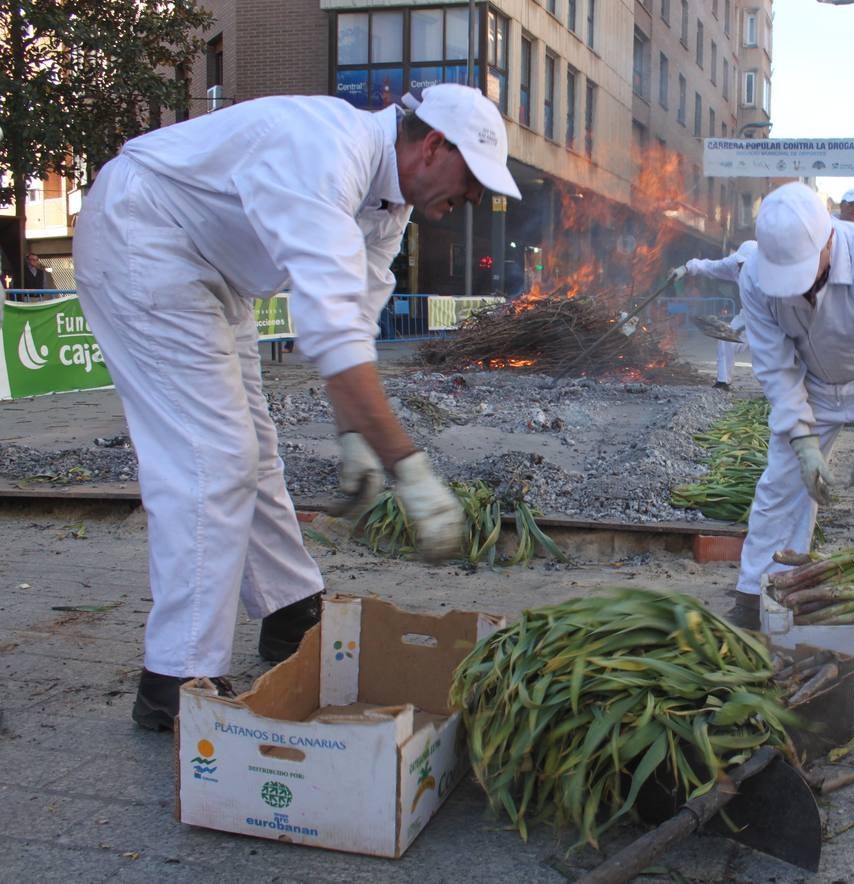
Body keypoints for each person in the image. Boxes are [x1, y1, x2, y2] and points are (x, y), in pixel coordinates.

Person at [71, 83, 522, 730]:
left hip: (216, 272)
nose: (471, 200)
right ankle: (174, 677)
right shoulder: (325, 152)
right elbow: (334, 342)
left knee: (252, 446)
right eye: (472, 180)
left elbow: (352, 329)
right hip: (143, 234)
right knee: (212, 456)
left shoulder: (387, 208)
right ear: (433, 145)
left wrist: (356, 444)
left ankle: (287, 607)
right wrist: (410, 472)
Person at [729, 182, 854, 629]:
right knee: (780, 487)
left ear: (828, 240)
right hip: (812, 387)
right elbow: (776, 367)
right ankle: (758, 594)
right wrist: (801, 439)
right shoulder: (755, 277)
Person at [675, 240, 756, 390]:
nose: (741, 267)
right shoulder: (733, 265)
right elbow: (710, 267)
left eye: (745, 264)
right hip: (747, 318)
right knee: (725, 339)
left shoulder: (772, 270)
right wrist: (685, 268)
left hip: (771, 320)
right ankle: (723, 381)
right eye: (740, 264)